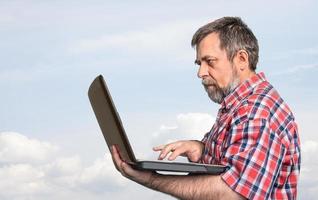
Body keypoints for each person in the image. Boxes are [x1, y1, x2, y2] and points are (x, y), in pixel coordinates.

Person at [111, 16, 301, 200]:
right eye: (199, 63)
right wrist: (201, 150)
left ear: (242, 59)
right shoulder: (238, 106)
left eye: (210, 62)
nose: (201, 72)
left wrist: (151, 178)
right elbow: (229, 164)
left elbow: (234, 193)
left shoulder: (257, 111)